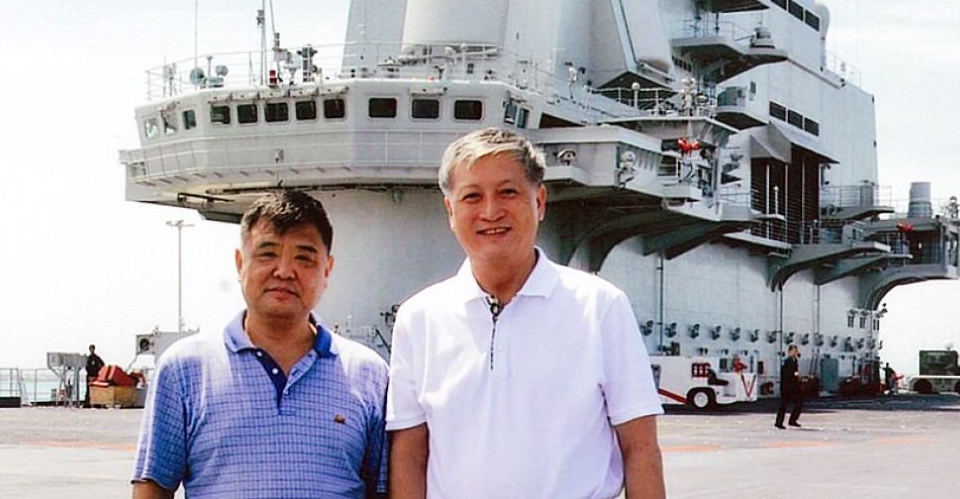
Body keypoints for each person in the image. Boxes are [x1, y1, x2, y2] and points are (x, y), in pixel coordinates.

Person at [387, 128, 666, 499]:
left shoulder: (600, 307)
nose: (490, 211)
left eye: (508, 192)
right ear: (450, 211)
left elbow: (641, 448)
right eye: (472, 196)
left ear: (540, 201)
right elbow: (410, 455)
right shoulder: (418, 318)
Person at [131, 191, 388, 498]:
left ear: (327, 270)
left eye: (304, 257)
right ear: (240, 264)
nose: (284, 271)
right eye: (267, 253)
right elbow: (153, 486)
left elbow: (383, 490)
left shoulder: (370, 374)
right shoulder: (184, 369)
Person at [775, 344, 804, 429]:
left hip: (794, 386)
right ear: (790, 351)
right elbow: (784, 374)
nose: (796, 353)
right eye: (794, 351)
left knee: (799, 403)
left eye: (796, 351)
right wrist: (793, 374)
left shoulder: (795, 361)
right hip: (786, 386)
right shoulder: (786, 361)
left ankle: (793, 420)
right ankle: (778, 422)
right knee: (783, 405)